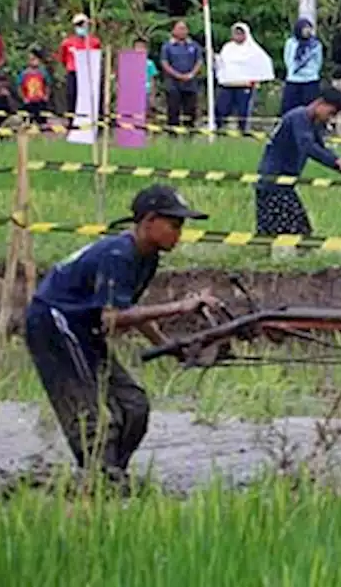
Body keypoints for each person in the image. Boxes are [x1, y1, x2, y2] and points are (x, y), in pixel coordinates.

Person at [24, 185, 211, 478]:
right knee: (91, 414)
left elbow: (129, 309)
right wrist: (179, 307)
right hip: (54, 322)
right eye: (174, 225)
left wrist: (166, 346)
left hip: (84, 325)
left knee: (134, 405)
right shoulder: (118, 254)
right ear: (149, 221)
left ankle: (113, 474)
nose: (179, 233)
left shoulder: (147, 257)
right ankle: (97, 477)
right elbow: (114, 318)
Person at [255, 88, 341, 235]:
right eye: (331, 113)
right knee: (299, 231)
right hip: (274, 181)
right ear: (320, 103)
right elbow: (308, 147)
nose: (330, 119)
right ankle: (302, 257)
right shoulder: (299, 118)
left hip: (283, 183)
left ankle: (265, 255)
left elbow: (321, 150)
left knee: (276, 231)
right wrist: (339, 161)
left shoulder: (311, 123)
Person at [216, 22, 273, 133]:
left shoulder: (253, 50)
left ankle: (243, 131)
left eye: (240, 33)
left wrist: (256, 79)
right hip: (228, 84)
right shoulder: (227, 48)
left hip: (244, 85)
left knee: (243, 110)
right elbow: (222, 64)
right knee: (221, 108)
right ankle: (219, 129)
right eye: (235, 33)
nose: (237, 36)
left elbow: (262, 63)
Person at [160, 20, 204, 130]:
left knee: (190, 111)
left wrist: (192, 74)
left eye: (184, 28)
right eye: (179, 28)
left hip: (190, 84)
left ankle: (189, 136)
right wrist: (178, 75)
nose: (182, 31)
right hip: (173, 84)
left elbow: (199, 61)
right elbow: (165, 63)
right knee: (173, 111)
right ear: (173, 30)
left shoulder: (194, 46)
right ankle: (172, 137)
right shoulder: (168, 46)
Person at [57, 14, 100, 120]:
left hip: (88, 75)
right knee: (72, 96)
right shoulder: (67, 43)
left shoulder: (94, 42)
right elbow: (63, 58)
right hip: (73, 72)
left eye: (84, 24)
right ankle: (72, 121)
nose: (82, 27)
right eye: (79, 25)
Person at [282, 18, 322, 115]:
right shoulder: (290, 43)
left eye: (309, 28)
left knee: (310, 108)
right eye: (305, 28)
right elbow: (287, 58)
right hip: (293, 80)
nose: (307, 31)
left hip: (310, 80)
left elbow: (318, 61)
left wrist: (312, 72)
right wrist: (292, 71)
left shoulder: (316, 44)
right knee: (289, 108)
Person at [16, 48, 53, 123]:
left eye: (35, 59)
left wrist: (46, 96)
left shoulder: (43, 72)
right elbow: (19, 87)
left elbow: (48, 85)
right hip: (29, 100)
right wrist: (24, 98)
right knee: (29, 120)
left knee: (42, 121)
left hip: (40, 100)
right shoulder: (24, 73)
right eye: (31, 59)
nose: (33, 61)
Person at [134, 38, 159, 113]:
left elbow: (153, 80)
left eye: (142, 47)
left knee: (146, 113)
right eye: (138, 47)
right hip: (133, 92)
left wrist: (153, 97)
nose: (140, 50)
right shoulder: (130, 62)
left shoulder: (150, 63)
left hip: (146, 92)